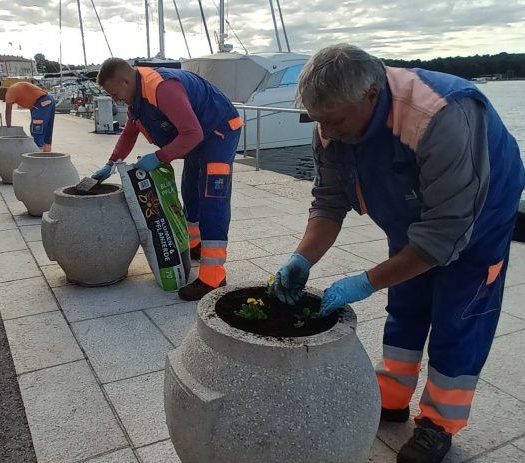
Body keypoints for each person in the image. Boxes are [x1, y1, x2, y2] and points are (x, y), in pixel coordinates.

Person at [273, 44, 524, 463]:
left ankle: (438, 423)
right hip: (411, 214)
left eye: (334, 121)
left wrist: (366, 280)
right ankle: (391, 395)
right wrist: (302, 258)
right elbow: (329, 202)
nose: (327, 133)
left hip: (479, 220)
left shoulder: (441, 116)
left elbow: (443, 236)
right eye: (319, 121)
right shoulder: (332, 121)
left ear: (371, 95)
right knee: (405, 303)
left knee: (458, 317)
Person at [92, 58, 244, 301]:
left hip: (219, 132)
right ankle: (195, 245)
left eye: (115, 92)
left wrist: (160, 157)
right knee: (191, 191)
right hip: (197, 136)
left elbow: (192, 133)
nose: (115, 98)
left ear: (125, 80)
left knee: (211, 199)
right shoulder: (137, 98)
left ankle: (213, 277)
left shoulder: (161, 88)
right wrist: (110, 164)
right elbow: (130, 133)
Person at [0, 82, 55, 152]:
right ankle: (47, 153)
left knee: (37, 130)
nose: (4, 100)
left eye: (2, 98)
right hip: (48, 101)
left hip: (41, 103)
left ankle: (38, 155)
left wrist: (9, 128)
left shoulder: (10, 92)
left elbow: (8, 112)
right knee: (47, 129)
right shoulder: (15, 87)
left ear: (2, 93)